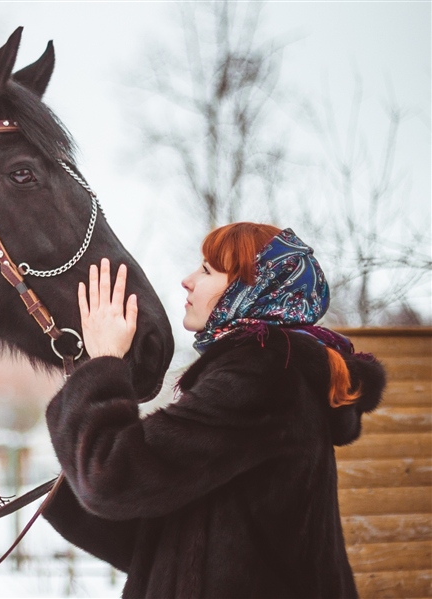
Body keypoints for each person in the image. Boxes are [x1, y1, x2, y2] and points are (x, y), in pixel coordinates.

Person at [43, 223, 386, 598]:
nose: (187, 281)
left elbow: (111, 477)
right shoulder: (277, 372)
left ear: (249, 289)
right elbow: (174, 541)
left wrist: (105, 360)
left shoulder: (263, 372)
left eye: (207, 270)